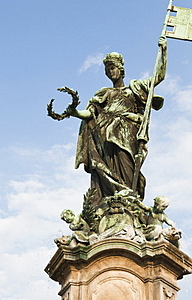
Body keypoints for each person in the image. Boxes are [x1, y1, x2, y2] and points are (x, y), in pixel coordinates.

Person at [54, 38, 167, 210]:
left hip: (127, 134)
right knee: (107, 169)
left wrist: (163, 50)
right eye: (107, 70)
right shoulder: (104, 93)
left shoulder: (134, 88)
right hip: (105, 137)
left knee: (127, 166)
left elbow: (159, 77)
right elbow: (90, 114)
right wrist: (73, 112)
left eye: (112, 68)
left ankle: (129, 199)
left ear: (121, 70)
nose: (110, 72)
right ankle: (113, 201)